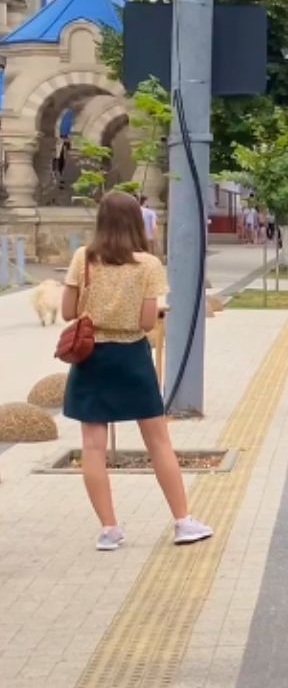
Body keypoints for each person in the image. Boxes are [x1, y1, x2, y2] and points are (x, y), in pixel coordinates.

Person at [62, 191, 214, 552]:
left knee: (93, 447)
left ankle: (109, 530)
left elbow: (69, 311)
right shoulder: (147, 265)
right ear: (136, 222)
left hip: (91, 358)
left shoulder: (83, 258)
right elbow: (147, 320)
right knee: (158, 441)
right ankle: (182, 522)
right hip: (132, 356)